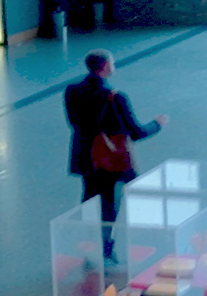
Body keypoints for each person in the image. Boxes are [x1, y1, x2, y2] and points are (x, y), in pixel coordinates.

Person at [63, 49, 160, 256]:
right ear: (106, 66)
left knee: (89, 197)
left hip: (84, 154)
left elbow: (73, 122)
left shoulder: (71, 90)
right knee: (109, 202)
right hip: (109, 158)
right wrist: (157, 124)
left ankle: (87, 243)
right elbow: (137, 132)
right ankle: (106, 246)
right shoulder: (116, 97)